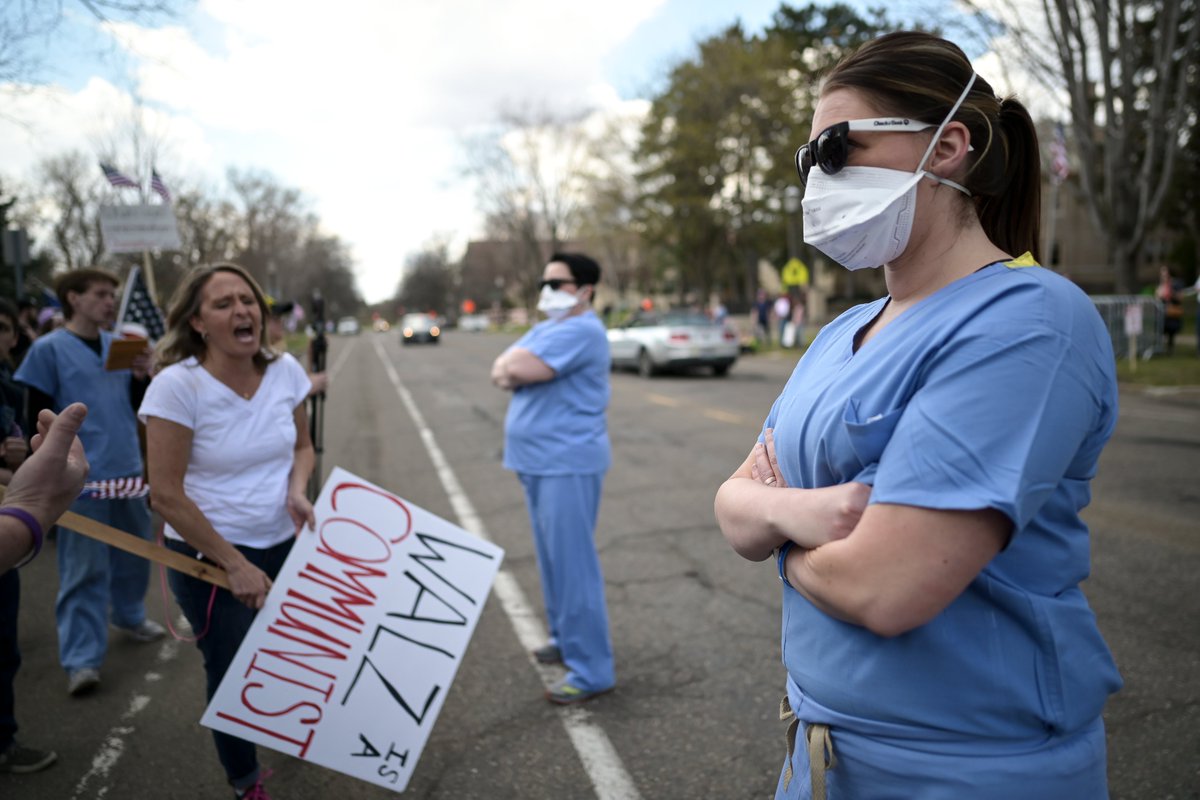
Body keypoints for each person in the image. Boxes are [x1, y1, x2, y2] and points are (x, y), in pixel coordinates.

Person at [714, 32, 1121, 799]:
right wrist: (814, 513)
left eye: (837, 149)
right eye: (809, 161)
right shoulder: (842, 333)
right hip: (820, 757)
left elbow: (887, 586)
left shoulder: (1028, 321)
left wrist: (780, 536)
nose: (817, 177)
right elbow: (732, 507)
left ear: (947, 148)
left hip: (968, 774)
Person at [140, 262, 315, 799]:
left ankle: (289, 725)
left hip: (283, 539)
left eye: (249, 300)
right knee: (234, 668)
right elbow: (165, 493)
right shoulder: (176, 386)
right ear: (196, 322)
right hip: (211, 556)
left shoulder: (286, 370)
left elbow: (303, 447)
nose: (243, 311)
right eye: (224, 303)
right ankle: (244, 780)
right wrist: (233, 563)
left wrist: (297, 490)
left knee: (288, 648)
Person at [14, 269, 164, 698]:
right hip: (79, 479)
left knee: (136, 554)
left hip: (127, 470)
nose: (109, 302)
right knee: (84, 568)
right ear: (73, 299)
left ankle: (131, 616)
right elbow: (35, 415)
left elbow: (134, 406)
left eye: (112, 294)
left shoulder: (120, 347)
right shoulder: (47, 350)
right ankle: (81, 658)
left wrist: (142, 377)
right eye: (100, 294)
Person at [490, 252, 615, 705]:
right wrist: (510, 368)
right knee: (551, 561)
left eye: (557, 283)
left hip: (567, 460)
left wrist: (512, 369)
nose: (548, 290)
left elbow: (516, 369)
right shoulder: (549, 328)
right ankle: (565, 639)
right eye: (545, 282)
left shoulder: (581, 329)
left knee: (573, 565)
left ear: (584, 288)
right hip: (538, 460)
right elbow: (499, 367)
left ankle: (591, 668)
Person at [1155, 266, 1184, 355]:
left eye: (1165, 272)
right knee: (1160, 329)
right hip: (1162, 311)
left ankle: (1170, 349)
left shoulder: (1176, 283)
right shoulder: (1161, 284)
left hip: (1172, 310)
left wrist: (1171, 293)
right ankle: (1160, 348)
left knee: (1171, 330)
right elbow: (1157, 296)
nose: (1163, 275)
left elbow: (1180, 297)